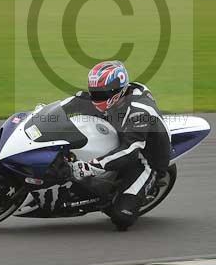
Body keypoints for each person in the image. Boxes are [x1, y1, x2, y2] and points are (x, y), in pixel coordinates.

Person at [61, 60, 171, 229]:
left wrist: (91, 166)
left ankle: (112, 199)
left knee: (121, 218)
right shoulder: (115, 96)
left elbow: (130, 151)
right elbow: (79, 101)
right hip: (120, 133)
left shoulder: (139, 112)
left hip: (145, 158)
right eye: (94, 92)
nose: (96, 97)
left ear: (117, 92)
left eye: (101, 93)